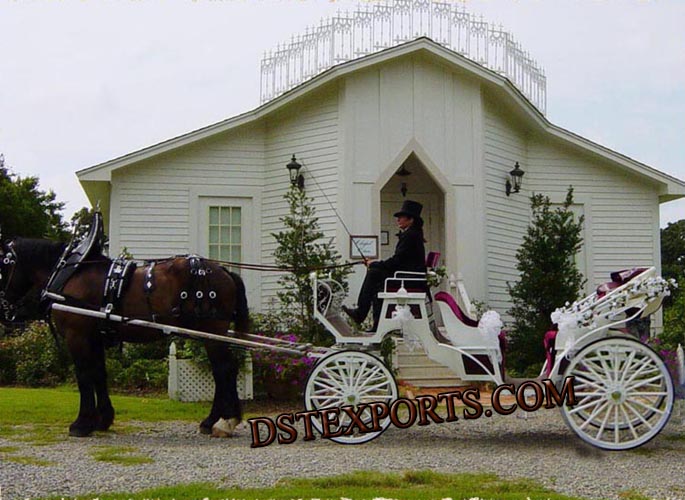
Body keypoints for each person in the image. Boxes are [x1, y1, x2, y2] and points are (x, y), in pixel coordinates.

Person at [343, 200, 426, 331]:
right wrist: (376, 264)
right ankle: (376, 324)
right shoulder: (413, 234)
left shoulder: (410, 236)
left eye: (401, 217)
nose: (398, 219)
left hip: (408, 279)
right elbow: (398, 261)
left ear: (411, 220)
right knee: (377, 281)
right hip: (407, 276)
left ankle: (361, 313)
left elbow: (396, 261)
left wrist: (374, 264)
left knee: (373, 273)